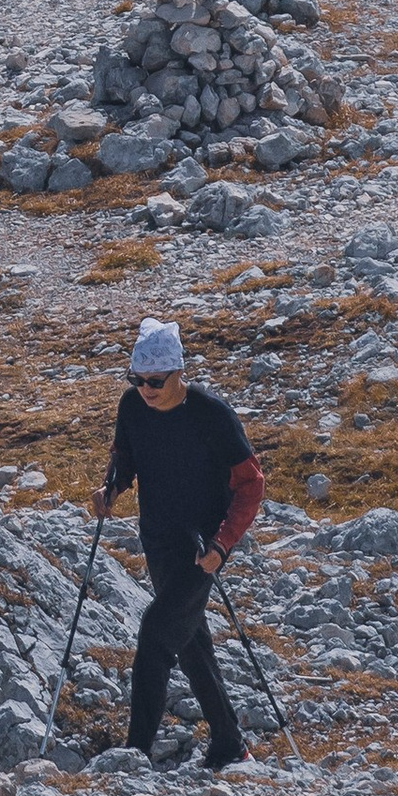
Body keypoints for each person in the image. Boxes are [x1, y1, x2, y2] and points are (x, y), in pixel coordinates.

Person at [96, 315, 263, 770]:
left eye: (155, 380)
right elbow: (125, 458)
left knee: (155, 632)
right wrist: (111, 489)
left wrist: (223, 545)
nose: (145, 389)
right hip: (156, 539)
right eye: (138, 379)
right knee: (190, 641)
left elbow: (251, 485)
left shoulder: (212, 416)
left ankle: (135, 753)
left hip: (201, 548)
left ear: (178, 373)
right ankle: (229, 744)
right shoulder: (132, 407)